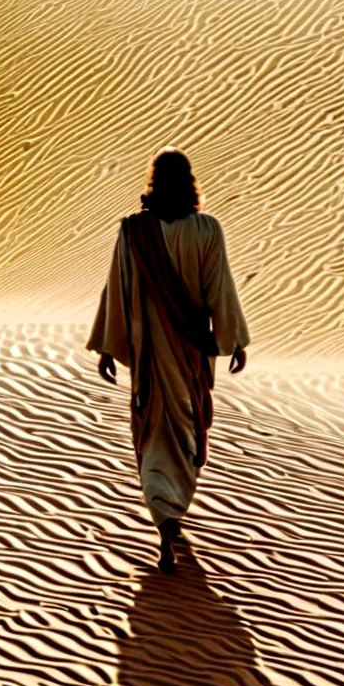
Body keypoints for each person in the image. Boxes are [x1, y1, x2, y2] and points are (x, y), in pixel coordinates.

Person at [88, 149, 249, 572]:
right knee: (186, 431)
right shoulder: (207, 230)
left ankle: (163, 519)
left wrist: (108, 346)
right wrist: (233, 341)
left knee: (153, 430)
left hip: (150, 356)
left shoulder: (133, 231)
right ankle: (170, 514)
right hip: (190, 352)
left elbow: (117, 293)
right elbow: (221, 289)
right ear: (190, 181)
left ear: (153, 182)